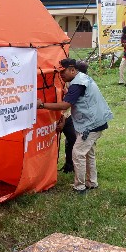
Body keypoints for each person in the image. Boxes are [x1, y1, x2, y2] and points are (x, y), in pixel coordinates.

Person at [37, 58, 113, 194]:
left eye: (63, 72)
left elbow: (65, 105)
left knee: (78, 153)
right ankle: (92, 183)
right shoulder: (82, 78)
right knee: (88, 153)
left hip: (91, 125)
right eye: (59, 73)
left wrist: (42, 105)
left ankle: (80, 187)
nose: (61, 75)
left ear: (72, 70)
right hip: (97, 121)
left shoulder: (77, 84)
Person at [57, 61, 89, 173]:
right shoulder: (65, 79)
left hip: (66, 115)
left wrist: (63, 118)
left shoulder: (76, 83)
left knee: (72, 140)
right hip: (63, 115)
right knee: (70, 141)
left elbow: (67, 104)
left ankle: (70, 165)